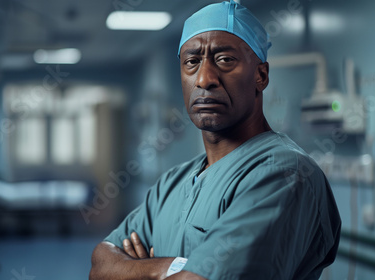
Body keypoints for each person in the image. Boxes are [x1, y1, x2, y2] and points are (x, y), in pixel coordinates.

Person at [89, 1, 341, 279]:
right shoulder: (172, 184)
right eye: (192, 62)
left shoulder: (285, 174)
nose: (204, 79)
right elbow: (101, 265)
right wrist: (172, 267)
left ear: (261, 75)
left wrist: (138, 270)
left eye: (225, 60)